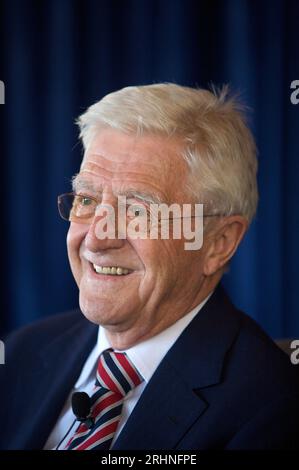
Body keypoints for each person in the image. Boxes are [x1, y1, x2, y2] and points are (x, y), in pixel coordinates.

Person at [0, 83, 298, 450]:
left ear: (219, 243)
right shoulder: (19, 355)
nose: (96, 238)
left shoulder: (272, 411)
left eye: (138, 211)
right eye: (87, 199)